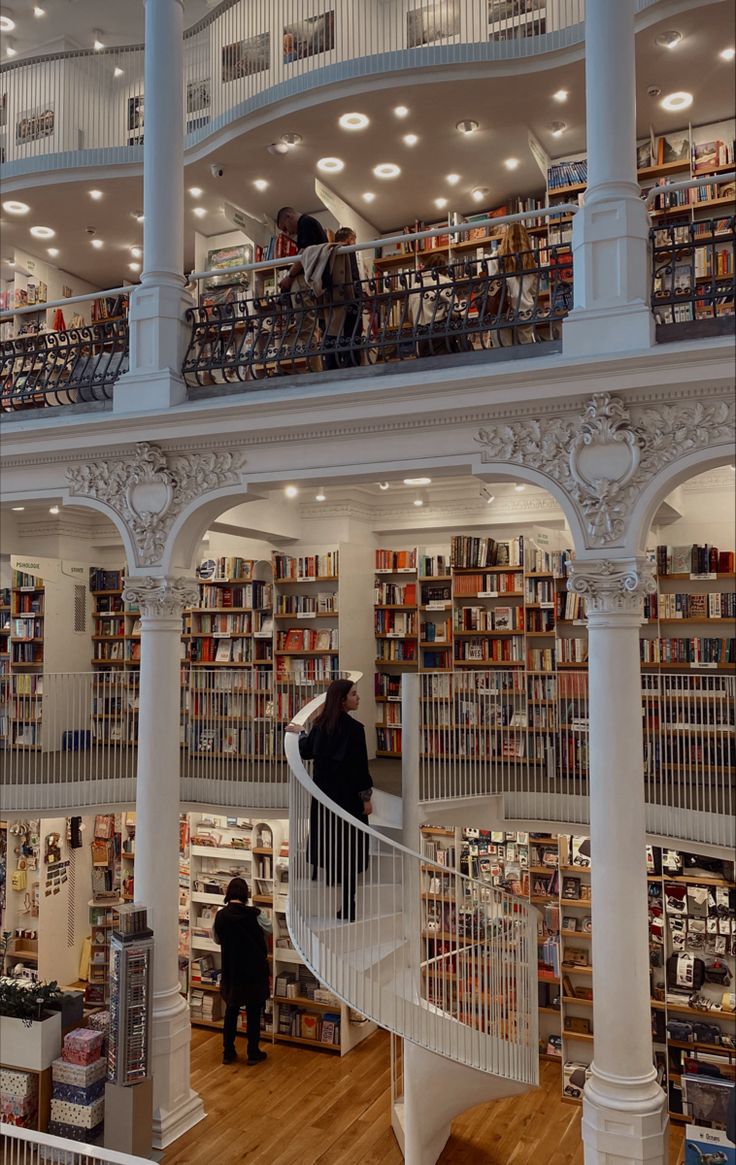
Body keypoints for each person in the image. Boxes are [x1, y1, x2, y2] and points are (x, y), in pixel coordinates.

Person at [287, 680, 373, 921]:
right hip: (348, 799)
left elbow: (306, 751)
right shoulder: (355, 730)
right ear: (342, 700)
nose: (358, 698)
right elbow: (360, 769)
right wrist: (366, 797)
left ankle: (327, 875)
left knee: (329, 840)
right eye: (354, 694)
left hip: (325, 797)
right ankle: (348, 903)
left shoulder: (320, 726)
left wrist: (299, 733)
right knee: (351, 846)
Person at [212, 876, 269, 1066]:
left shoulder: (220, 915)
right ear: (245, 894)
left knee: (231, 1010)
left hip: (232, 968)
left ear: (228, 893)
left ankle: (228, 1052)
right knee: (254, 1011)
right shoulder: (255, 914)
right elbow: (269, 929)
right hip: (254, 970)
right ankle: (253, 1052)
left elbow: (217, 939)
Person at [489, 222, 538, 347]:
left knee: (503, 354)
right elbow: (533, 290)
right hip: (525, 311)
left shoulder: (496, 257)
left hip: (502, 310)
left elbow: (492, 285)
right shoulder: (531, 260)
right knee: (525, 352)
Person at [275, 207, 328, 294]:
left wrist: (289, 277)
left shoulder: (305, 223)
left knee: (298, 296)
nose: (288, 233)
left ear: (288, 216)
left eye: (285, 228)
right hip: (317, 275)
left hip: (313, 276)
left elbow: (304, 254)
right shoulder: (306, 223)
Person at [332, 227, 364, 366]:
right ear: (350, 239)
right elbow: (353, 276)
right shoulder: (348, 251)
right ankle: (352, 364)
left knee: (337, 335)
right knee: (353, 334)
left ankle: (339, 363)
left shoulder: (331, 253)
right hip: (351, 300)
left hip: (335, 301)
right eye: (354, 240)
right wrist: (360, 296)